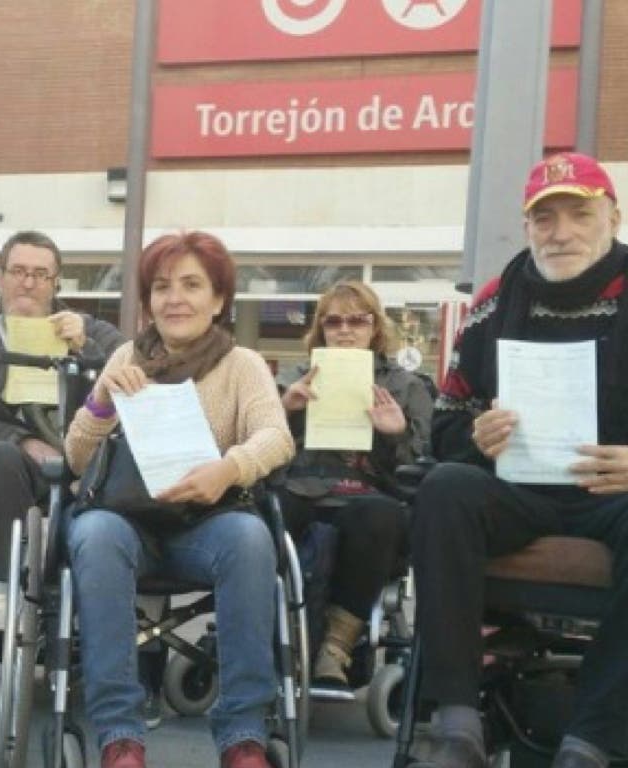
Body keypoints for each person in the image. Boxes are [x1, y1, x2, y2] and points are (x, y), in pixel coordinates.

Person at [411, 152, 628, 768]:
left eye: (578, 214)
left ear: (611, 215)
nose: (560, 232)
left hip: (614, 493)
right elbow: (445, 424)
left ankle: (593, 739)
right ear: (527, 226)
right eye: (545, 218)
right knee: (446, 487)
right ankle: (455, 722)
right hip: (519, 490)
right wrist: (476, 435)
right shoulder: (493, 301)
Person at [65, 231, 294, 768]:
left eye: (192, 285)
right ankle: (120, 735)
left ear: (218, 300)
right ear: (147, 302)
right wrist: (101, 401)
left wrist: (229, 468)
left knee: (250, 536)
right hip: (127, 522)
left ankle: (243, 735)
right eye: (162, 287)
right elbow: (76, 458)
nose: (175, 298)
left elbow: (276, 437)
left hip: (206, 524)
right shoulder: (126, 357)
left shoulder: (243, 366)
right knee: (94, 533)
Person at [0, 230, 123, 582]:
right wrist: (21, 441)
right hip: (16, 470)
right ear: (0, 277)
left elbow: (136, 376)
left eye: (40, 275)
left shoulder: (95, 332)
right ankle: (12, 588)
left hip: (90, 465)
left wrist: (86, 348)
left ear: (56, 284)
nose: (28, 283)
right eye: (18, 271)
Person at [277, 280, 432, 690]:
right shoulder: (295, 376)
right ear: (321, 328)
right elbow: (260, 446)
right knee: (269, 510)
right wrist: (285, 412)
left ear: (374, 328)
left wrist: (395, 435)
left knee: (377, 516)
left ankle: (336, 646)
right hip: (302, 485)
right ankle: (272, 635)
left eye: (357, 321)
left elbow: (422, 466)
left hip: (369, 492)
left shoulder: (406, 386)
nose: (345, 330)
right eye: (334, 322)